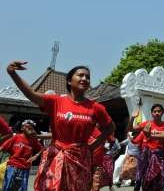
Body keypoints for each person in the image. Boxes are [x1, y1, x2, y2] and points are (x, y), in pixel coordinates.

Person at [6, 61, 115, 190]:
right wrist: (13, 74)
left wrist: (92, 147)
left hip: (80, 159)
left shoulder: (96, 108)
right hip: (55, 156)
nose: (84, 79)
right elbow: (32, 95)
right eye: (80, 75)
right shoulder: (56, 101)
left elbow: (110, 128)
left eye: (87, 77)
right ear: (69, 81)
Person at [130, 104, 164, 191]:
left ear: (163, 113)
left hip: (161, 157)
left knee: (160, 179)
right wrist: (132, 118)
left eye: (159, 111)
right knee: (147, 179)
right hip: (147, 157)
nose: (157, 113)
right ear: (151, 113)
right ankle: (138, 184)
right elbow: (131, 129)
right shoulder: (147, 124)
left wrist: (150, 135)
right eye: (154, 111)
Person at [0, 119, 43, 191]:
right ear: (22, 128)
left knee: (22, 189)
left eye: (32, 126)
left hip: (25, 169)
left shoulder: (34, 140)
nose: (30, 126)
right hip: (12, 167)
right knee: (7, 187)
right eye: (27, 125)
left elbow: (42, 149)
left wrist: (36, 156)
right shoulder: (15, 137)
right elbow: (2, 148)